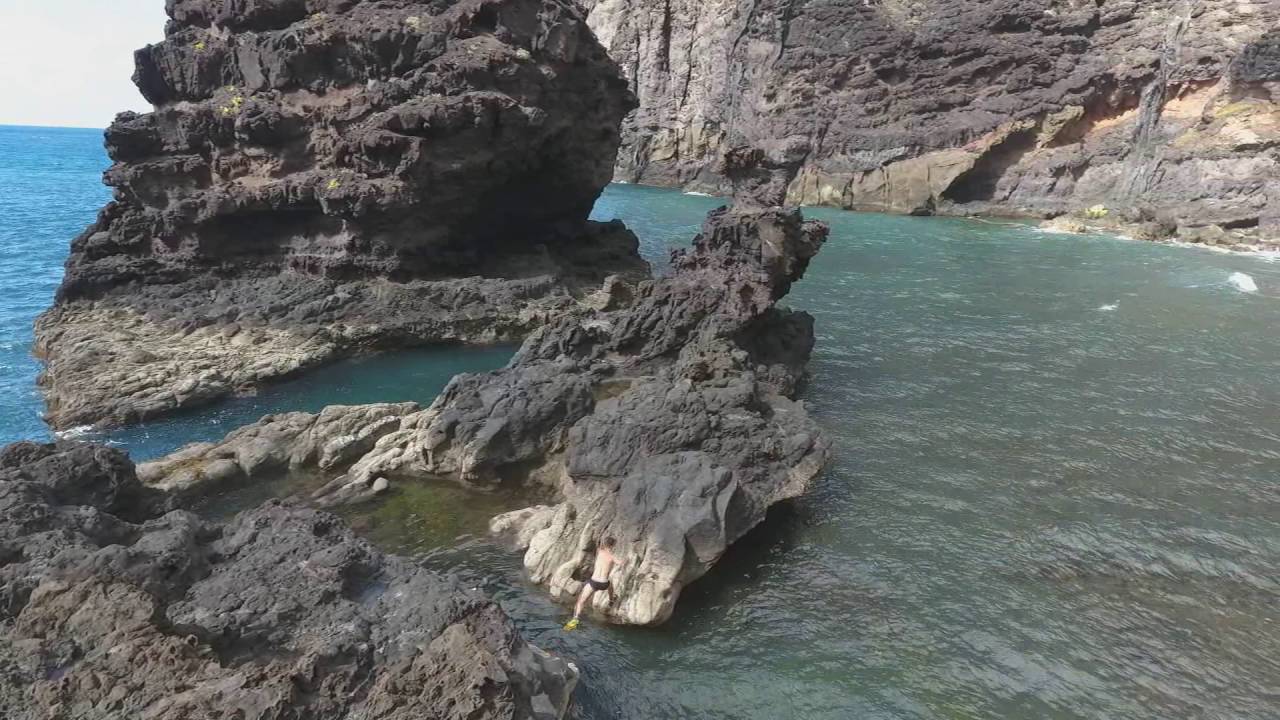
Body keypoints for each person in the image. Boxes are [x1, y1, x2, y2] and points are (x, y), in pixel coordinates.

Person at [564, 536, 619, 630]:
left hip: (594, 582)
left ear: (604, 545)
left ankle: (575, 619)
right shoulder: (612, 557)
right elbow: (621, 562)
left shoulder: (600, 551)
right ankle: (611, 600)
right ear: (613, 546)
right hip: (604, 583)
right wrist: (626, 560)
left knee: (581, 601)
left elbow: (599, 544)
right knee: (610, 584)